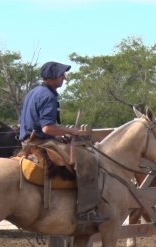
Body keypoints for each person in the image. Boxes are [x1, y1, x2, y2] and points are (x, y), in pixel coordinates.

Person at [19, 61, 107, 227]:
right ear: (52, 77)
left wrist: (61, 133)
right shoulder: (48, 96)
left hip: (29, 139)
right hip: (41, 141)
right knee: (88, 160)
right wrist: (72, 132)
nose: (64, 78)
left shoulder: (33, 92)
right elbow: (47, 127)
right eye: (61, 75)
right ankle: (87, 212)